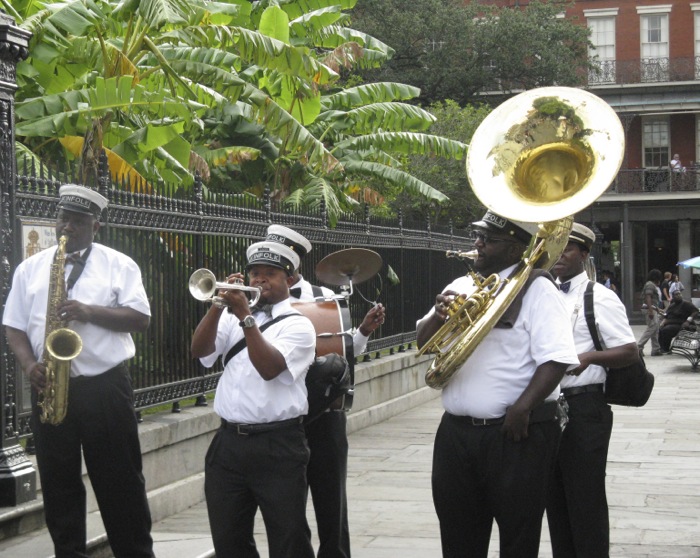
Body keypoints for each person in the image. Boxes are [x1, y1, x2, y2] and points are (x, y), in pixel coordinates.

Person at [416, 210, 579, 558]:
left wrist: (523, 408)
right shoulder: (460, 286)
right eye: (477, 236)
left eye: (488, 239)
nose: (477, 245)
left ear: (515, 248)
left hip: (513, 434)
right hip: (456, 435)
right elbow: (421, 342)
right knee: (458, 535)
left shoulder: (537, 289)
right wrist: (438, 315)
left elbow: (557, 358)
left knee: (518, 536)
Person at [3, 184, 154, 558]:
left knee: (120, 481)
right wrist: (28, 365)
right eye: (63, 218)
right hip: (50, 386)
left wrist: (89, 311)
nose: (67, 227)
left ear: (96, 225)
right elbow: (14, 326)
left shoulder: (119, 265)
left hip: (105, 388)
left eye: (78, 221)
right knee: (58, 485)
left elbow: (140, 318)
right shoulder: (31, 268)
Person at [265, 224, 386, 558]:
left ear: (294, 264)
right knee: (287, 509)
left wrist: (362, 331)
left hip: (325, 415)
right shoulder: (255, 303)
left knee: (332, 503)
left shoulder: (326, 299)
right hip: (280, 419)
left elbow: (345, 353)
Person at [191, 240, 317, 558]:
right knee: (228, 539)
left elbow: (270, 368)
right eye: (254, 274)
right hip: (228, 444)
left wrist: (245, 316)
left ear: (289, 280)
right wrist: (218, 306)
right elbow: (200, 351)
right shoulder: (231, 318)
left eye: (270, 274)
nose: (259, 280)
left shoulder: (300, 325)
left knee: (289, 538)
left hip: (278, 446)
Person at [546, 223, 639, 558]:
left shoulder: (600, 297)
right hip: (550, 407)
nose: (559, 255)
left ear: (583, 254)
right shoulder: (547, 295)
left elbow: (629, 350)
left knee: (585, 498)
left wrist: (588, 358)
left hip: (585, 408)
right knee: (554, 498)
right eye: (556, 248)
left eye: (568, 248)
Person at [638, 268, 663, 356]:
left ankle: (656, 349)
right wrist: (651, 311)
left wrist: (657, 309)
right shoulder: (650, 285)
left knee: (655, 329)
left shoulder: (651, 285)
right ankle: (639, 346)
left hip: (652, 308)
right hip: (649, 309)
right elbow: (648, 297)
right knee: (652, 327)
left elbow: (653, 300)